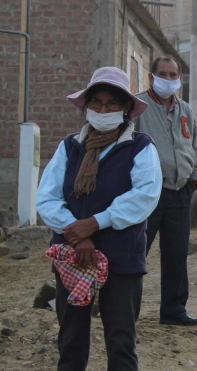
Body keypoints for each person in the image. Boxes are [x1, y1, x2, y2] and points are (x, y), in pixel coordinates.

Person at [36, 66, 162, 370]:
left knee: (121, 341)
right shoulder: (70, 147)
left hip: (121, 258)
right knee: (71, 339)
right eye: (97, 103)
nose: (103, 109)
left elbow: (144, 196)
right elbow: (47, 197)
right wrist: (77, 233)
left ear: (126, 108)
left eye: (111, 103)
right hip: (73, 256)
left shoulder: (140, 147)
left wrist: (95, 223)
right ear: (87, 107)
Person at [134, 56, 197, 326]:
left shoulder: (184, 108)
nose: (169, 78)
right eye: (163, 73)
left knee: (176, 254)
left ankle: (173, 311)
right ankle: (128, 312)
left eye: (174, 74)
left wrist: (194, 177)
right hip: (149, 193)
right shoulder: (137, 106)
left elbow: (194, 144)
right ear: (152, 77)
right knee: (137, 253)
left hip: (180, 191)